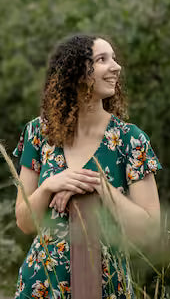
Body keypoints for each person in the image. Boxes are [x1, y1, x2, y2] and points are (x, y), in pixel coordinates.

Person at [12, 34, 161, 299]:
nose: (116, 67)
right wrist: (49, 186)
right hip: (42, 285)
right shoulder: (38, 133)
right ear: (76, 73)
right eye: (102, 59)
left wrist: (100, 186)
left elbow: (150, 231)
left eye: (114, 58)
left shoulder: (130, 140)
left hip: (108, 286)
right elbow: (24, 222)